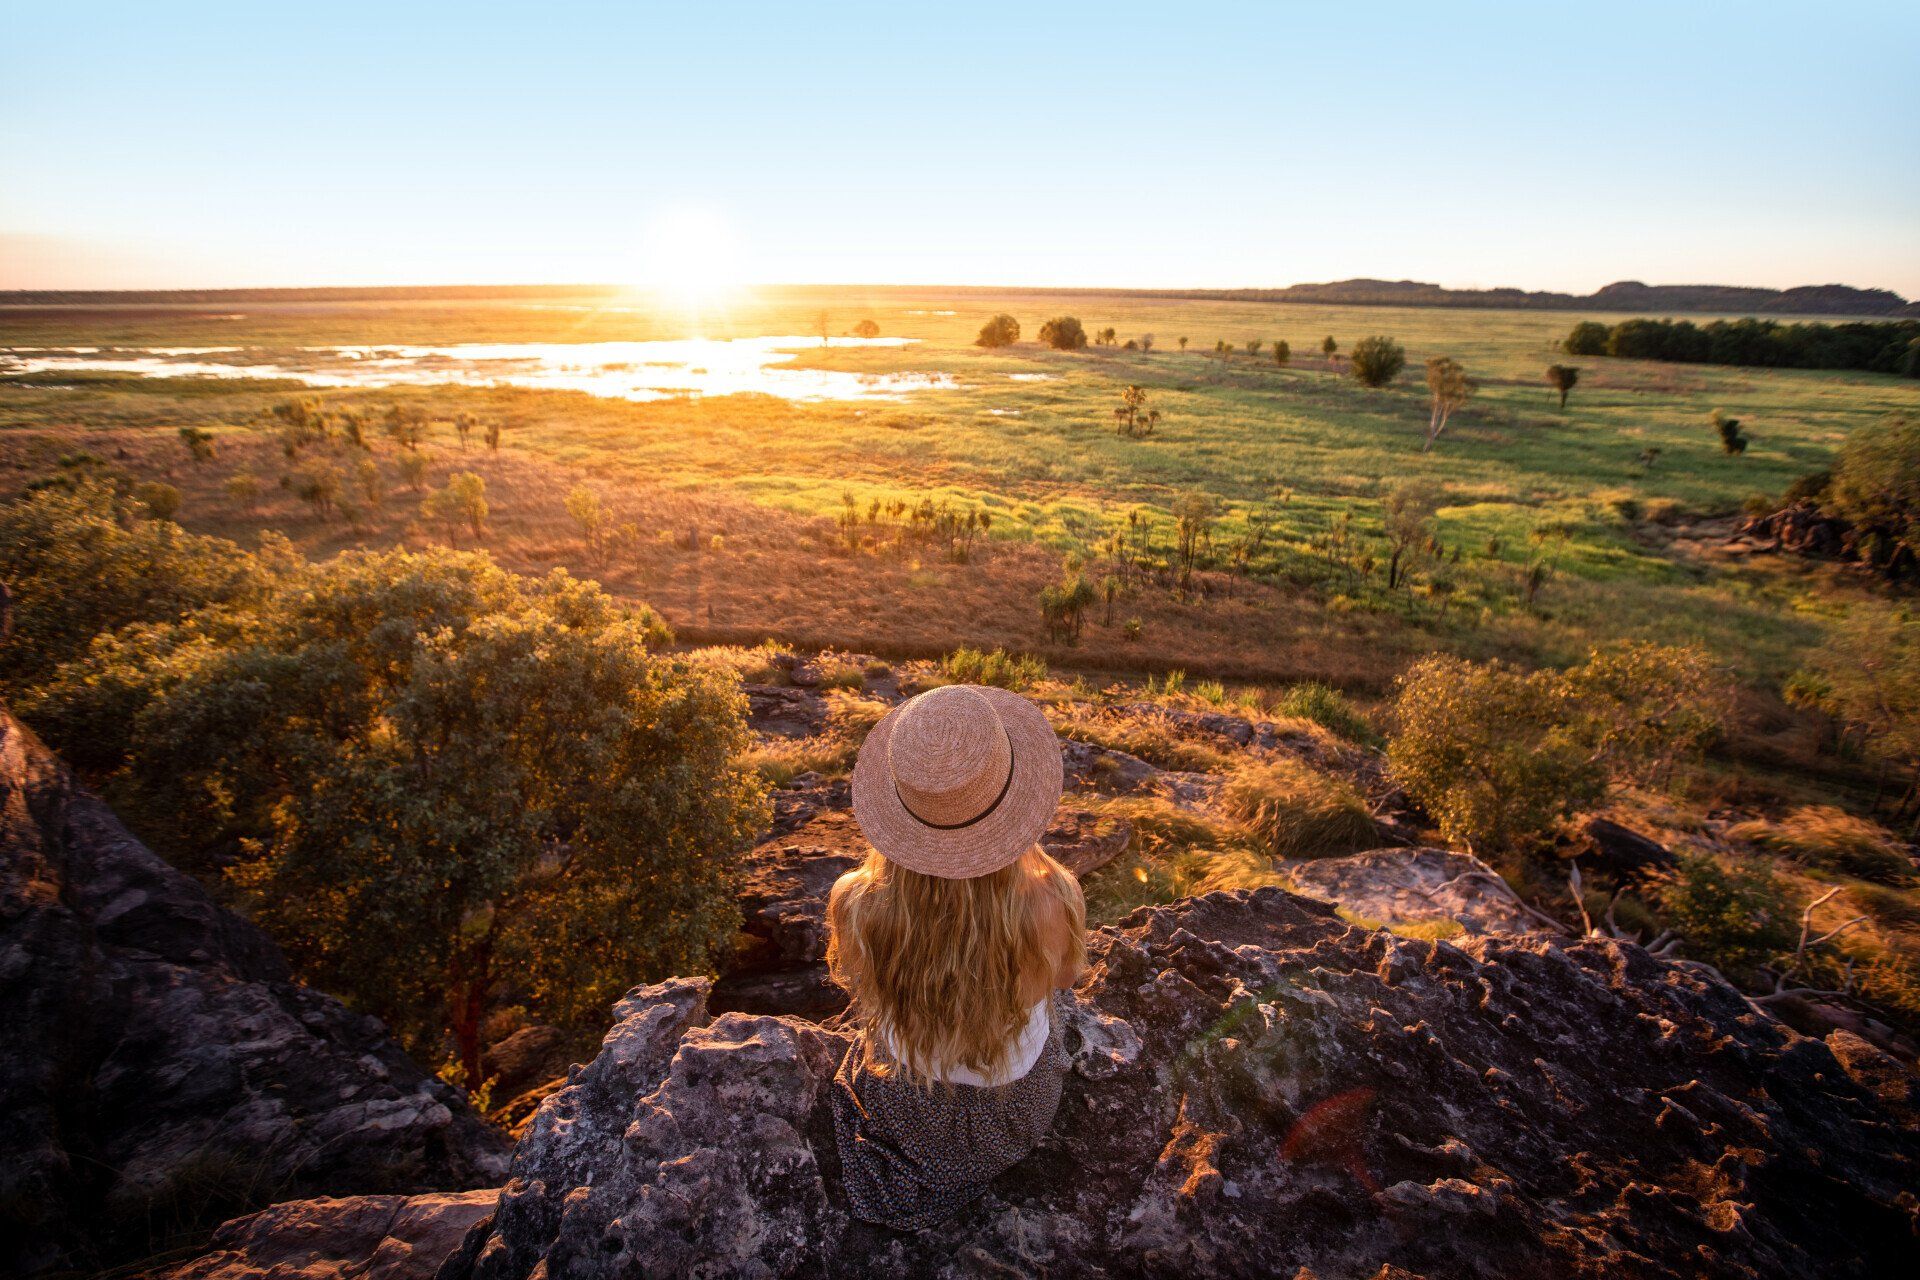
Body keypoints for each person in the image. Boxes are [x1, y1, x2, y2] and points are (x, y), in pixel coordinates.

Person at [827, 682, 1086, 1231]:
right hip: (1014, 1111)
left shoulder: (856, 903)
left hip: (904, 1108)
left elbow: (862, 986)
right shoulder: (1054, 899)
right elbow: (1065, 979)